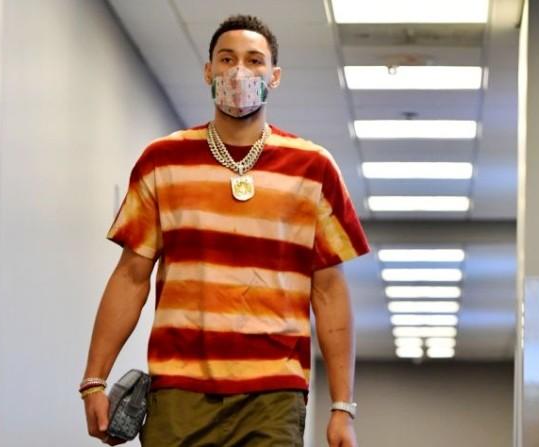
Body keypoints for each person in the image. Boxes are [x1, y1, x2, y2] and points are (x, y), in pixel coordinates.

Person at [80, 14, 369, 447]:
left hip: (273, 394)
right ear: (208, 71)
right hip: (179, 393)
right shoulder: (163, 160)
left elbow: (329, 292)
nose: (239, 72)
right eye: (227, 59)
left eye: (254, 61)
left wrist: (343, 407)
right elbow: (130, 276)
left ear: (274, 76)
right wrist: (94, 380)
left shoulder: (314, 168)